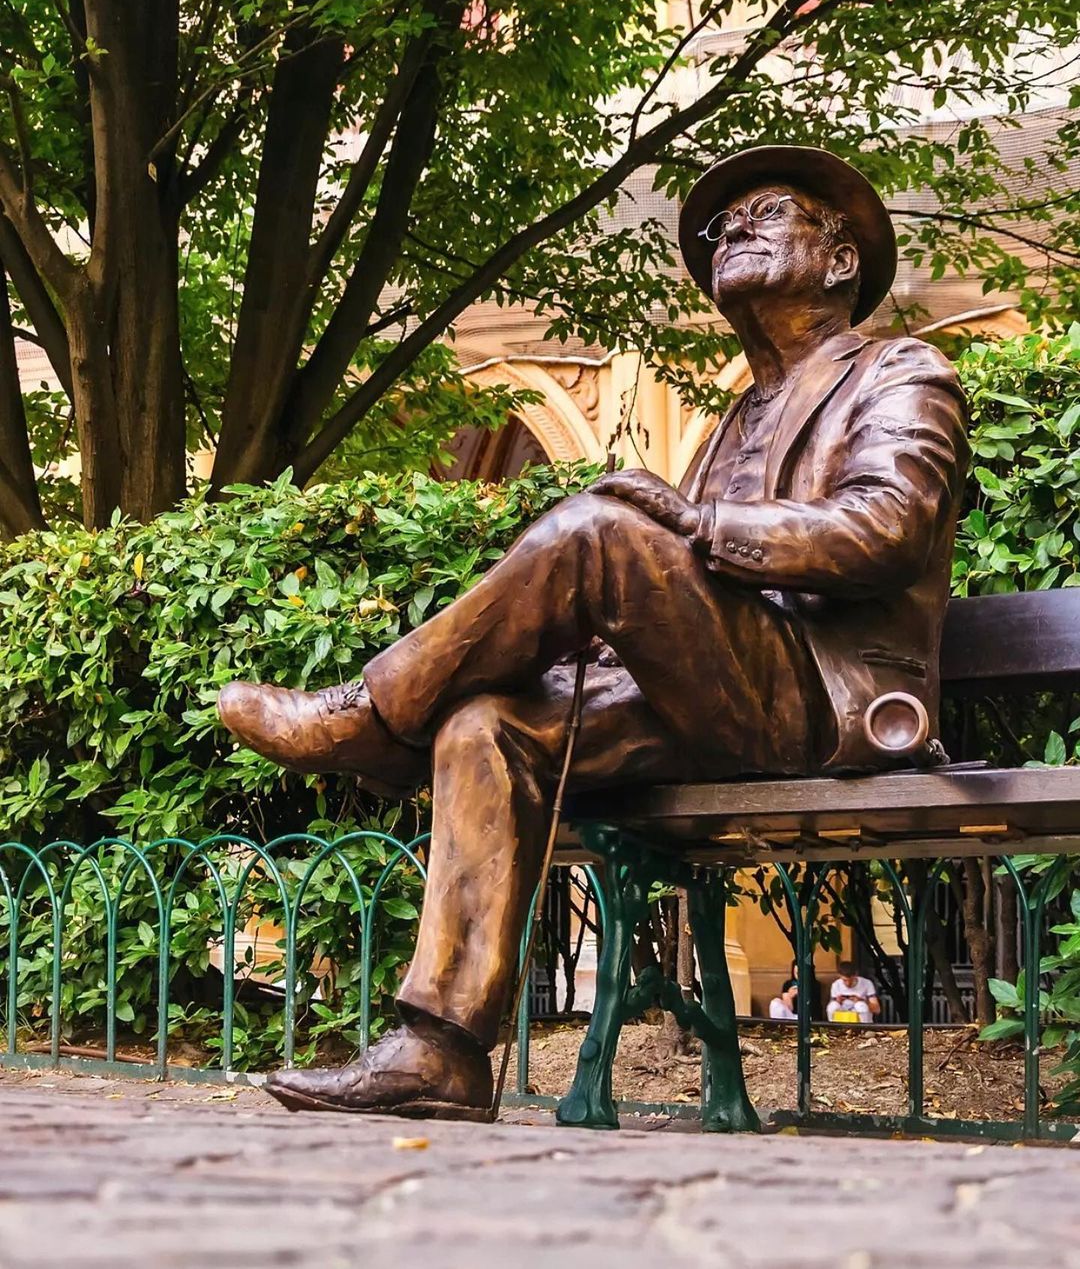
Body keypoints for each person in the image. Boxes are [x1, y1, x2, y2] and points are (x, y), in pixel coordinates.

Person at [218, 144, 968, 1119]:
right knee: (483, 724)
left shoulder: (900, 371)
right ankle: (438, 1049)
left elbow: (887, 526)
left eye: (766, 211)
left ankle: (370, 711)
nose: (730, 229)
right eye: (718, 226)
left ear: (839, 260)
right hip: (710, 698)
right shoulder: (739, 414)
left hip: (821, 701)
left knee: (596, 530)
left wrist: (699, 525)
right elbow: (694, 595)